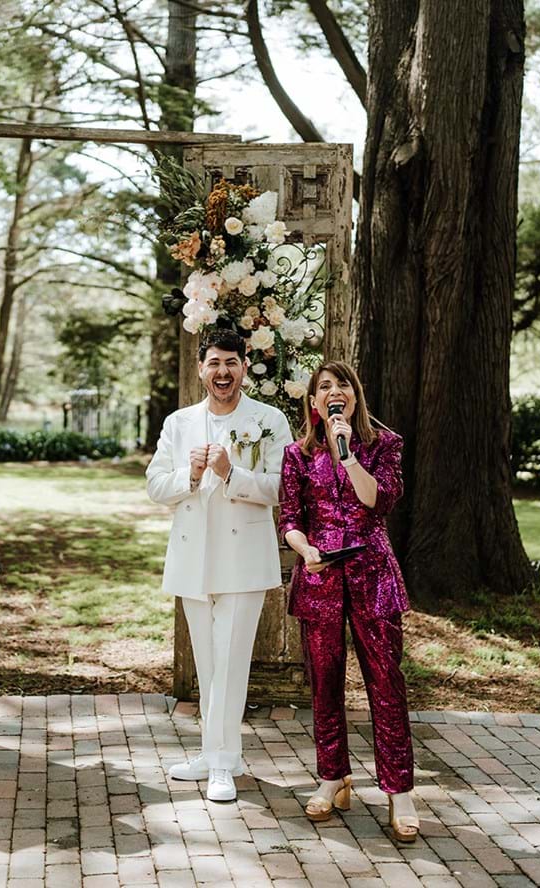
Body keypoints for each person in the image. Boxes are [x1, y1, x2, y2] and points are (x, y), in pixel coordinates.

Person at [146, 328, 293, 802]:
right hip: (193, 555)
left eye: (231, 362)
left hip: (242, 559)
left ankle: (224, 763)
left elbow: (283, 489)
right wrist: (189, 475)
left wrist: (232, 472)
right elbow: (155, 486)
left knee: (230, 665)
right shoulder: (178, 422)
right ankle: (214, 754)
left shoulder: (269, 420)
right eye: (214, 363)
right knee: (209, 664)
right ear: (202, 368)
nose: (222, 372)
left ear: (245, 366)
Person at [277, 360, 419, 840]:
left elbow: (380, 501)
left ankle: (400, 792)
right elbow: (291, 519)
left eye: (342, 385)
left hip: (373, 575)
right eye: (324, 387)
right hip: (320, 578)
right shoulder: (296, 455)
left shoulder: (385, 445)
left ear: (354, 396)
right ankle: (332, 777)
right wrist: (304, 549)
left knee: (386, 683)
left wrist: (348, 456)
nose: (333, 392)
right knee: (324, 684)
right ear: (313, 403)